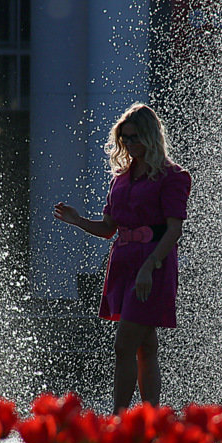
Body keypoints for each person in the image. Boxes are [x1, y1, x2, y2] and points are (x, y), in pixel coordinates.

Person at [54, 104, 191, 414]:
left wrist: (149, 266)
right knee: (145, 346)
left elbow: (173, 231)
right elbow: (107, 229)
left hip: (151, 265)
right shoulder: (121, 178)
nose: (129, 145)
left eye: (134, 138)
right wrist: (78, 221)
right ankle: (148, 419)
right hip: (124, 263)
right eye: (124, 138)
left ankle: (120, 419)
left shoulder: (173, 176)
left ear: (150, 137)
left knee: (124, 345)